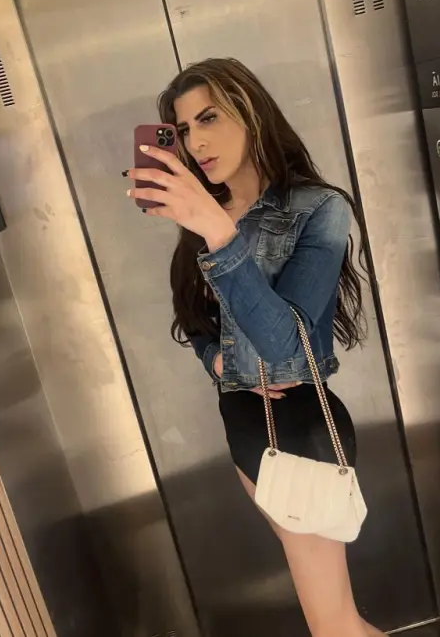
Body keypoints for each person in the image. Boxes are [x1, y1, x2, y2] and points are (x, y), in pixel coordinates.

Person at [125, 58, 385, 637]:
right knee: (339, 623)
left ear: (251, 113)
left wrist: (218, 232)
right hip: (245, 427)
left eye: (209, 118)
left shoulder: (318, 209)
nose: (195, 142)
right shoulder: (208, 214)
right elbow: (196, 319)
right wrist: (216, 359)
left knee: (333, 626)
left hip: (298, 427)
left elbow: (284, 346)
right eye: (182, 128)